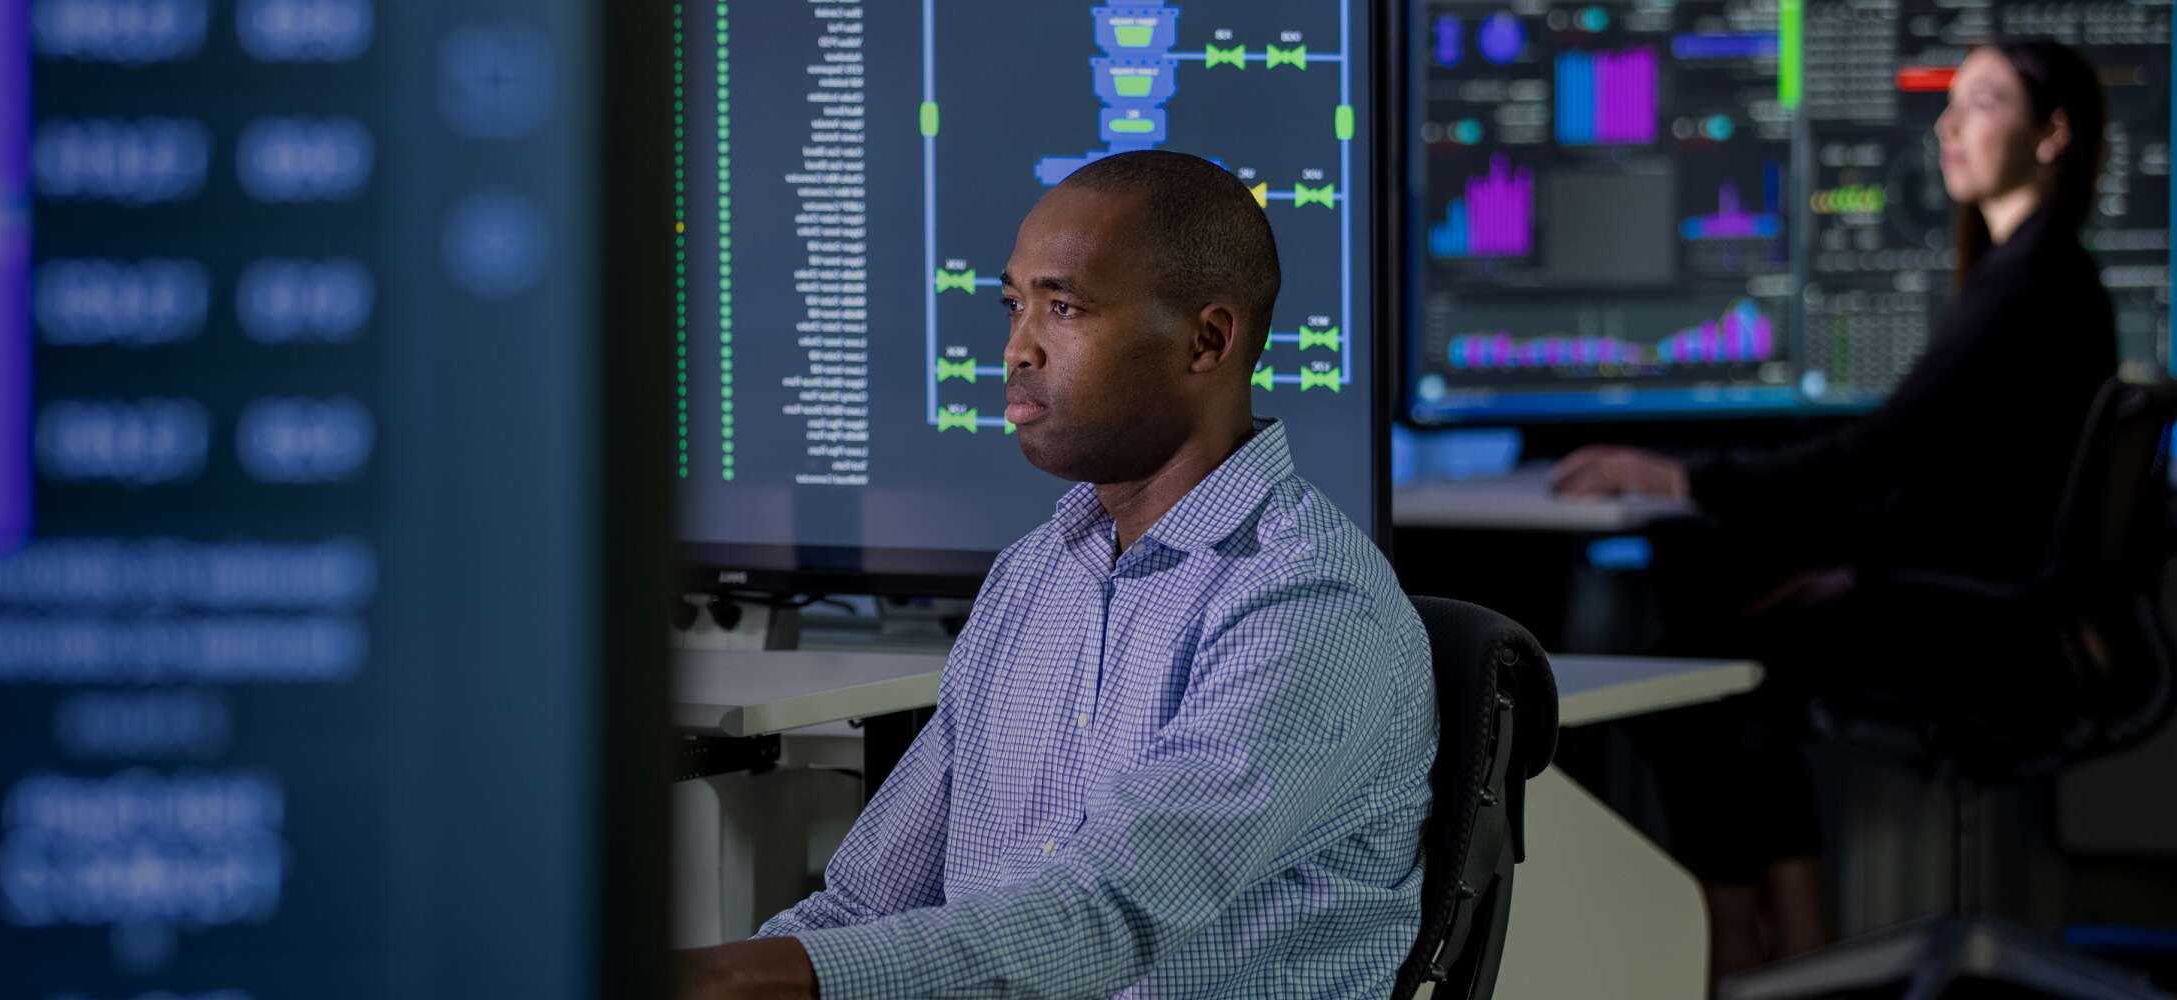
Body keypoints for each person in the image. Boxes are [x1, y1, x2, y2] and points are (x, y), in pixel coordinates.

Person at [675, 151, 1438, 999]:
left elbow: (1105, 916)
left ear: (1207, 340)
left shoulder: (1308, 604)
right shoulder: (1037, 574)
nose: (1017, 348)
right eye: (1014, 305)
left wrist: (746, 977)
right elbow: (862, 906)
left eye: (1063, 308)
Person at [1548, 38, 2115, 978]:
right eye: (1952, 104)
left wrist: (1682, 480)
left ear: (2050, 135)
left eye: (1983, 103)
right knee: (1711, 617)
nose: (1950, 125)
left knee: (1695, 661)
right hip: (1987, 595)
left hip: (1983, 622)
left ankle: (1752, 940)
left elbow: (1886, 449)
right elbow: (1961, 480)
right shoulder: (2042, 274)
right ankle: (1784, 928)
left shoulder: (2031, 284)